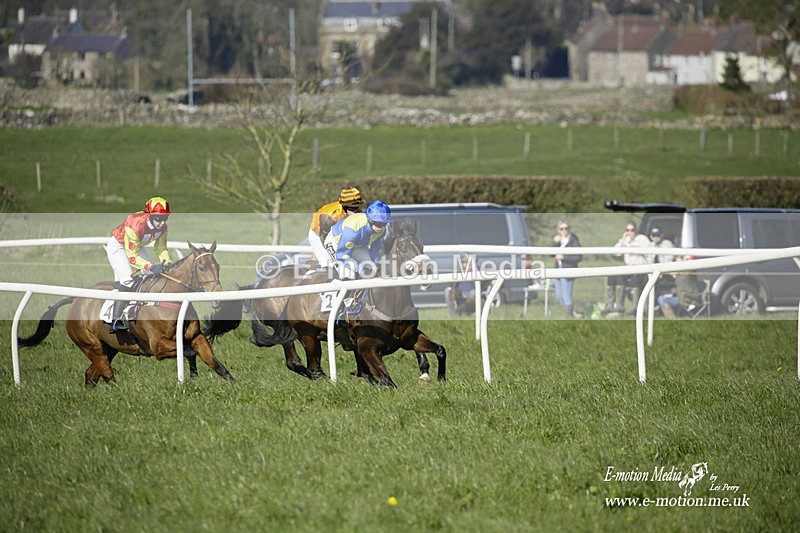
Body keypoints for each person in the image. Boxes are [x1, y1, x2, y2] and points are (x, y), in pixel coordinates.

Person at [106, 196, 172, 333]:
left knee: (153, 277)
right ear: (150, 216)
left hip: (138, 246)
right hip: (118, 246)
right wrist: (151, 266)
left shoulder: (163, 228)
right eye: (158, 218)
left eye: (165, 218)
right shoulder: (136, 225)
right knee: (127, 281)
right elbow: (132, 258)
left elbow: (161, 248)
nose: (162, 222)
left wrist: (167, 262)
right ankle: (115, 320)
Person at [308, 186, 365, 268]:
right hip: (319, 235)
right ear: (344, 206)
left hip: (337, 233)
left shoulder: (358, 212)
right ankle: (317, 268)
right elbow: (324, 238)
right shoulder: (330, 216)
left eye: (357, 207)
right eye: (352, 208)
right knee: (330, 265)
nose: (355, 212)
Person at [605, 222, 652, 314]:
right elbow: (616, 252)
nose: (630, 232)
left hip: (641, 269)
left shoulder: (642, 239)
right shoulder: (625, 240)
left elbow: (647, 252)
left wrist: (632, 246)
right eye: (627, 230)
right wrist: (623, 240)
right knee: (613, 278)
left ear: (636, 230)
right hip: (629, 268)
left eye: (632, 230)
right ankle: (617, 306)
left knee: (635, 281)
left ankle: (635, 308)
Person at [552, 220, 582, 318]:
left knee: (566, 295)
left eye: (566, 228)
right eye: (561, 229)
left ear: (569, 229)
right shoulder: (559, 240)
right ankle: (571, 313)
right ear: (558, 230)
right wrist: (555, 243)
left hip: (568, 270)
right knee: (559, 296)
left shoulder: (574, 240)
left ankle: (568, 315)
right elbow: (550, 254)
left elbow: (578, 257)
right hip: (558, 270)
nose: (564, 230)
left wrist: (564, 257)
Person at [649, 227, 677, 296]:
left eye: (658, 235)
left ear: (662, 235)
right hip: (654, 273)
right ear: (651, 237)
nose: (656, 237)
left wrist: (660, 271)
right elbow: (649, 262)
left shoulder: (667, 244)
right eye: (654, 235)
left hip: (667, 274)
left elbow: (668, 262)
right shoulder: (650, 246)